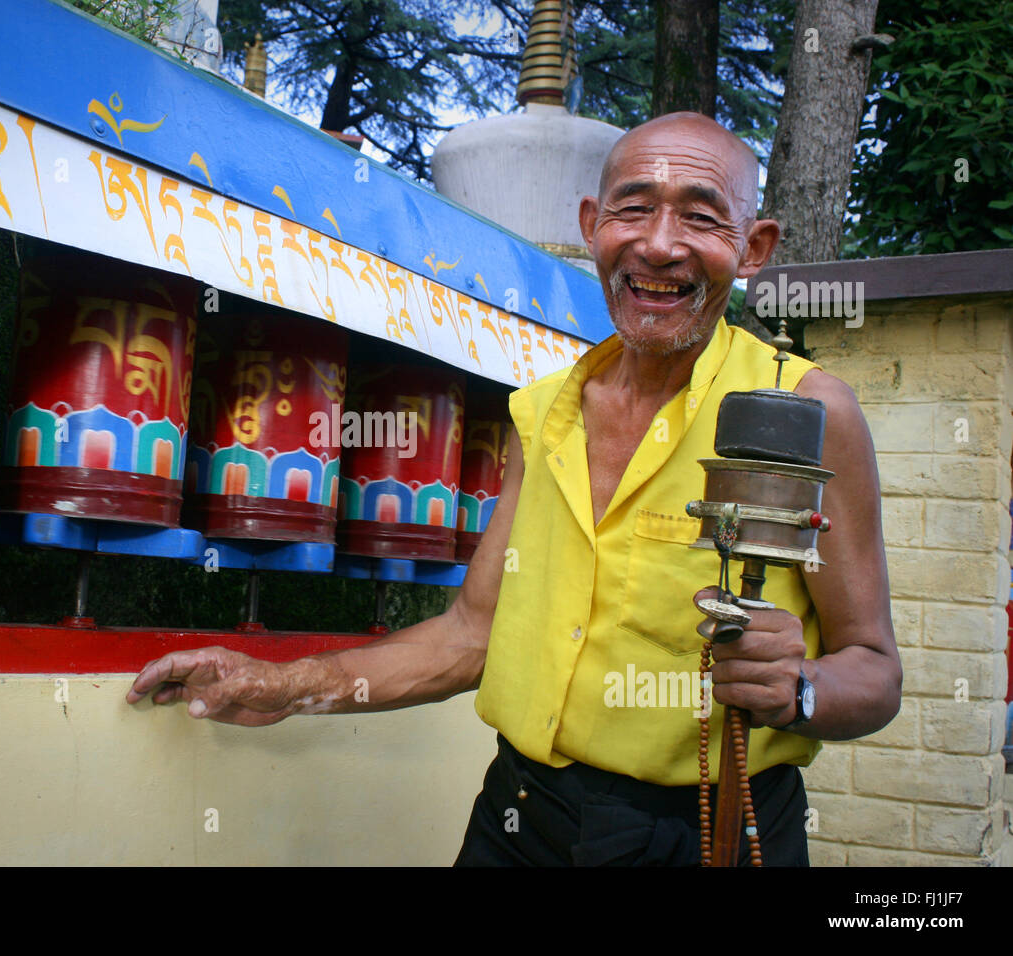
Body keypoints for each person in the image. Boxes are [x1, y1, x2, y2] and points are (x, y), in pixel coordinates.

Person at [125, 112, 902, 866]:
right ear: (594, 224)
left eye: (701, 218)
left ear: (754, 246)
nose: (659, 245)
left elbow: (873, 670)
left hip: (707, 832)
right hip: (522, 817)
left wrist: (798, 688)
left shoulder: (805, 411)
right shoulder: (546, 411)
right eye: (633, 210)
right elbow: (472, 635)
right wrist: (289, 685)